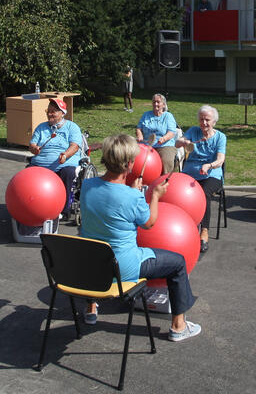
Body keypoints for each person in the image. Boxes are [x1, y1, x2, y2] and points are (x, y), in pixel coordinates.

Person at [80, 134, 201, 342]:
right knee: (178, 263)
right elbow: (149, 222)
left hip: (91, 266)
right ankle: (178, 326)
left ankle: (91, 307)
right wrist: (154, 195)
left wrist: (131, 193)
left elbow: (110, 200)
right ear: (129, 164)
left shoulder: (87, 187)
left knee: (94, 242)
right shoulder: (132, 197)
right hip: (123, 267)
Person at [176, 105, 226, 253]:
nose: (204, 123)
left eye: (207, 120)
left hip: (211, 174)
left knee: (203, 194)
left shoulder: (220, 137)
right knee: (178, 193)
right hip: (190, 172)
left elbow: (220, 160)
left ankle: (204, 232)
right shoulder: (193, 131)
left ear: (214, 122)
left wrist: (209, 165)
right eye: (201, 119)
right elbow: (177, 143)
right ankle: (183, 228)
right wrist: (183, 142)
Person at [28, 98, 83, 217]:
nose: (49, 114)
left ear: (62, 113)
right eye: (48, 111)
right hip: (41, 163)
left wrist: (66, 154)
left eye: (53, 111)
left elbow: (74, 146)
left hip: (64, 163)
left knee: (68, 172)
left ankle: (64, 209)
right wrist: (34, 149)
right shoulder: (41, 127)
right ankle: (31, 206)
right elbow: (32, 145)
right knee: (28, 174)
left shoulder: (72, 127)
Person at [136, 93, 178, 174]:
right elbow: (139, 128)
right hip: (146, 145)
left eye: (158, 102)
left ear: (163, 104)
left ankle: (165, 181)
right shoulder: (146, 115)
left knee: (166, 161)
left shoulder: (168, 116)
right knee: (136, 160)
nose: (155, 104)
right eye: (154, 102)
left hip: (164, 145)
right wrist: (140, 135)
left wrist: (164, 138)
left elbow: (172, 132)